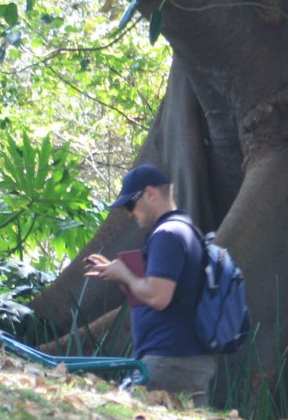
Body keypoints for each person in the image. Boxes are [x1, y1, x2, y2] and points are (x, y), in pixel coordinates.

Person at [84, 164, 215, 402]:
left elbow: (158, 296)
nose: (129, 214)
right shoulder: (186, 231)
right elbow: (167, 294)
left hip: (170, 359)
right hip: (183, 358)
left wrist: (125, 275)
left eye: (130, 205)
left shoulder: (168, 234)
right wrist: (117, 274)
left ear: (150, 194)